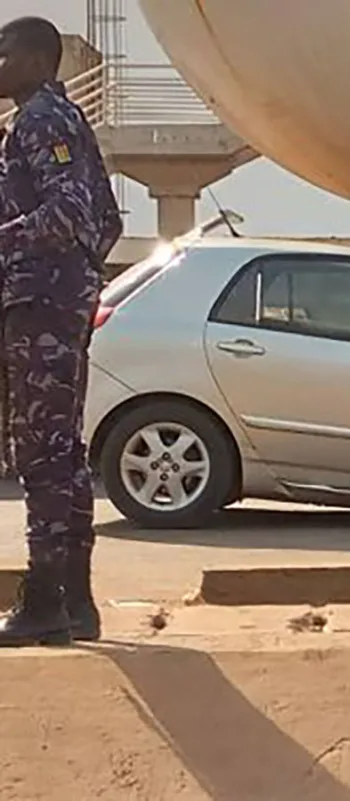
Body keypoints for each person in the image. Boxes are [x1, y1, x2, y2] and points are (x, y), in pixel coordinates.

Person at [0, 17, 123, 646]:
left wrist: (14, 253)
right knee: (64, 454)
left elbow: (70, 211)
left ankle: (45, 601)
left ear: (37, 59)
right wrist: (83, 280)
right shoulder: (63, 120)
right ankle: (75, 602)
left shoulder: (40, 119)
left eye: (3, 52)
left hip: (41, 304)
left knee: (40, 456)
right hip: (57, 300)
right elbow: (107, 222)